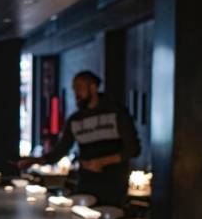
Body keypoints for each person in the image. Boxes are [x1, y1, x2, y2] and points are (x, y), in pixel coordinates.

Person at [18, 70, 140, 206]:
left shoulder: (116, 113)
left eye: (79, 88)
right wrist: (34, 161)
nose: (76, 93)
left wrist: (101, 162)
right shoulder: (75, 120)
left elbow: (133, 149)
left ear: (93, 87)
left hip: (113, 186)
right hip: (86, 183)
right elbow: (60, 151)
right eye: (74, 89)